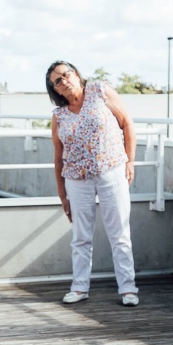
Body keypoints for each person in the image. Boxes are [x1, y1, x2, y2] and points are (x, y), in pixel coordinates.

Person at [48, 60, 139, 307]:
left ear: (76, 74)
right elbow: (58, 158)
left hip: (112, 171)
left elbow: (127, 123)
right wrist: (62, 195)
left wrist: (130, 162)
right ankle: (79, 287)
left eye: (66, 74)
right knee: (80, 236)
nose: (64, 81)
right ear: (55, 89)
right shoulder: (59, 116)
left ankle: (128, 289)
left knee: (119, 233)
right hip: (77, 180)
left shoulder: (100, 91)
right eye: (57, 80)